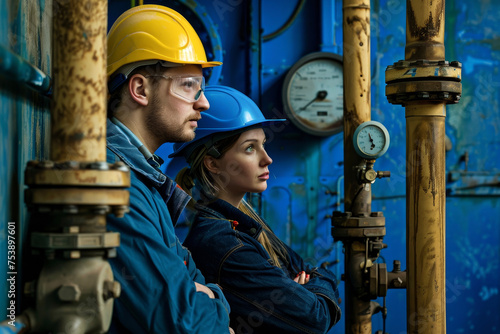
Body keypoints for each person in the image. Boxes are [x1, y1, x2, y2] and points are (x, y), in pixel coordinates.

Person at [171, 85, 342, 334]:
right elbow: (315, 317)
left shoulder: (245, 221)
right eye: (250, 148)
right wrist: (303, 290)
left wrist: (305, 289)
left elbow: (308, 271)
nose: (267, 158)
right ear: (212, 163)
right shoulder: (223, 243)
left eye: (263, 145)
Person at [105, 5, 233, 333]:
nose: (203, 103)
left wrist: (206, 294)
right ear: (140, 89)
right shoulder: (116, 184)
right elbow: (182, 322)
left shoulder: (145, 181)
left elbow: (191, 280)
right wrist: (217, 304)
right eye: (189, 85)